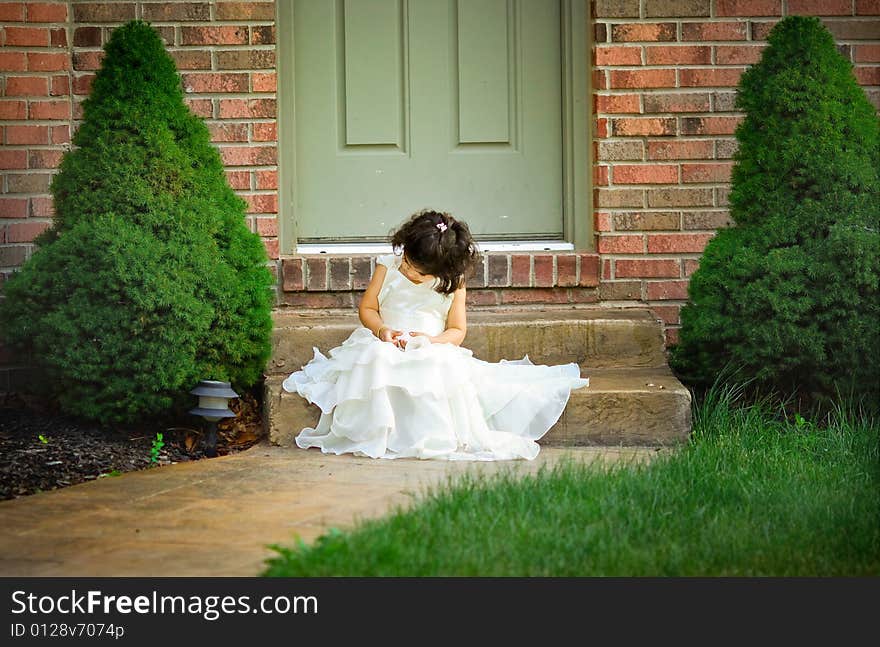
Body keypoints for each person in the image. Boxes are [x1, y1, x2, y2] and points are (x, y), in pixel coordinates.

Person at [282, 209, 590, 461]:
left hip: (431, 345)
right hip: (383, 340)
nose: (409, 272)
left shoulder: (453, 283)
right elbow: (368, 309)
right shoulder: (387, 267)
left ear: (442, 272)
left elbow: (457, 331)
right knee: (375, 359)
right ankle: (380, 429)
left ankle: (429, 434)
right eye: (407, 262)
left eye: (418, 271)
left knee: (438, 366)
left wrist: (430, 341)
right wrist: (382, 330)